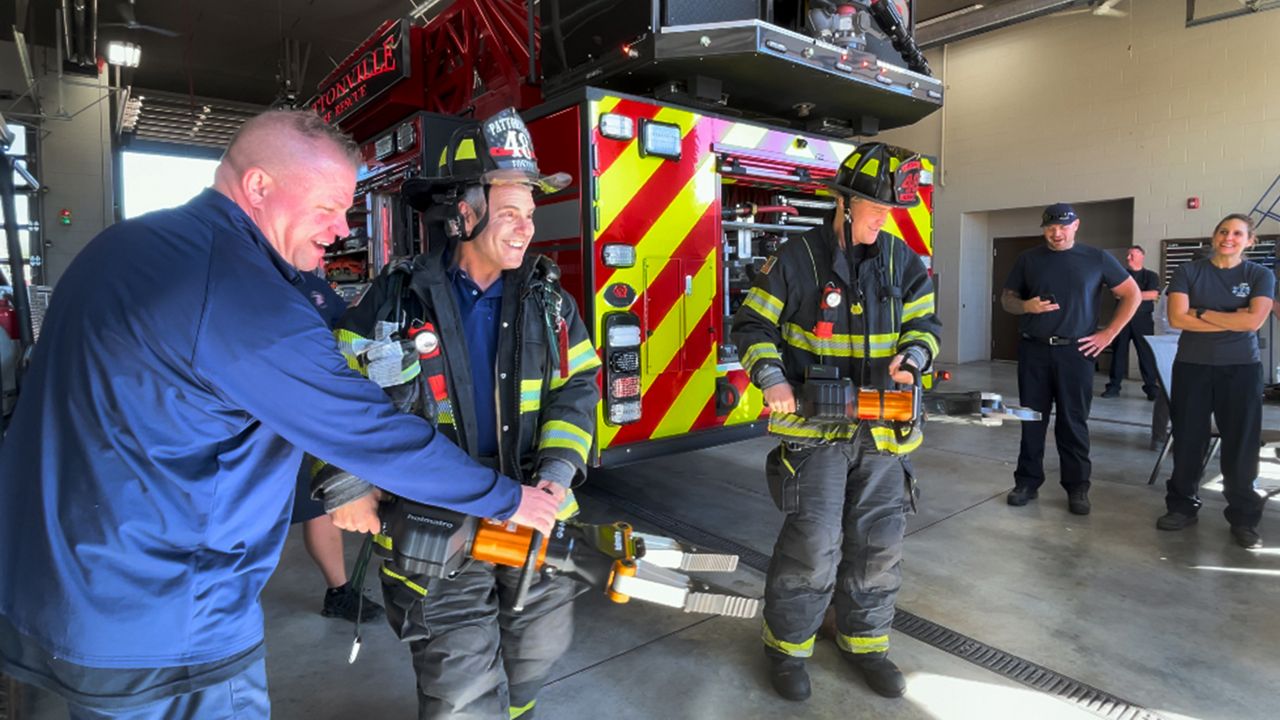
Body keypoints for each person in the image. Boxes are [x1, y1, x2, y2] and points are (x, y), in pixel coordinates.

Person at [0, 109, 559, 719]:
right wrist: (508, 499)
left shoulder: (126, 245)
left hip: (55, 598)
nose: (340, 230)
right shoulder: (244, 294)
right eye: (327, 207)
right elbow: (364, 427)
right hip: (162, 623)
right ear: (258, 186)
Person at [312, 108, 600, 719]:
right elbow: (334, 395)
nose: (526, 229)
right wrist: (346, 484)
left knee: (533, 657)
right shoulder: (394, 300)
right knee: (460, 687)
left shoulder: (550, 299)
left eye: (530, 213)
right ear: (462, 211)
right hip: (439, 530)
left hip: (532, 517)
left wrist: (559, 468)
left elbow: (579, 384)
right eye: (510, 212)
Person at [732, 142, 941, 702]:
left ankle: (864, 642)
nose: (882, 220)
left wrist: (914, 358)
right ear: (844, 205)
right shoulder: (795, 259)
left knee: (878, 544)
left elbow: (926, 325)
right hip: (814, 435)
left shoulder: (903, 260)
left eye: (889, 212)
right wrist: (773, 380)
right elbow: (751, 325)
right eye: (874, 210)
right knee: (813, 543)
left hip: (882, 433)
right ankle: (788, 647)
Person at [1001, 203, 1141, 515]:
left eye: (1063, 226)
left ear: (1076, 225)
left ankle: (1077, 488)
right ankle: (1027, 481)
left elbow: (1131, 294)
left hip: (1076, 353)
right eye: (1051, 227)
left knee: (1073, 422)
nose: (1057, 233)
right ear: (1043, 228)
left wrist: (1109, 334)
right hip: (1034, 350)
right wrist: (1026, 307)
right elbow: (1007, 299)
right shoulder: (1028, 259)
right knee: (1031, 419)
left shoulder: (1096, 258)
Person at [1156, 214, 1274, 549]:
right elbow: (1178, 317)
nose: (1229, 238)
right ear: (1214, 236)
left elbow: (1253, 322)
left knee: (1241, 443)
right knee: (1189, 439)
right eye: (1224, 231)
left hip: (1241, 369)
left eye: (1238, 234)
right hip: (1193, 366)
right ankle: (1181, 507)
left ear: (1250, 241)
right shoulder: (1188, 271)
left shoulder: (1259, 275)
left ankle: (1243, 517)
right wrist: (1230, 318)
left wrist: (1202, 313)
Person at [289, 271, 384, 623]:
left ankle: (339, 592)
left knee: (319, 504)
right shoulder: (248, 282)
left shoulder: (312, 286)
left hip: (315, 416)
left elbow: (346, 333)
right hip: (263, 418)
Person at [1102, 245, 1162, 400]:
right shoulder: (1121, 274)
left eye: (1132, 255)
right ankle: (1113, 387)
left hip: (1143, 320)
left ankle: (1151, 388)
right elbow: (1116, 294)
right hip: (1122, 318)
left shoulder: (1151, 275)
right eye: (1128, 255)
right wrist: (1138, 295)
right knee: (1118, 353)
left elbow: (1153, 294)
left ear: (1141, 256)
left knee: (1146, 354)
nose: (1128, 258)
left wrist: (1129, 295)